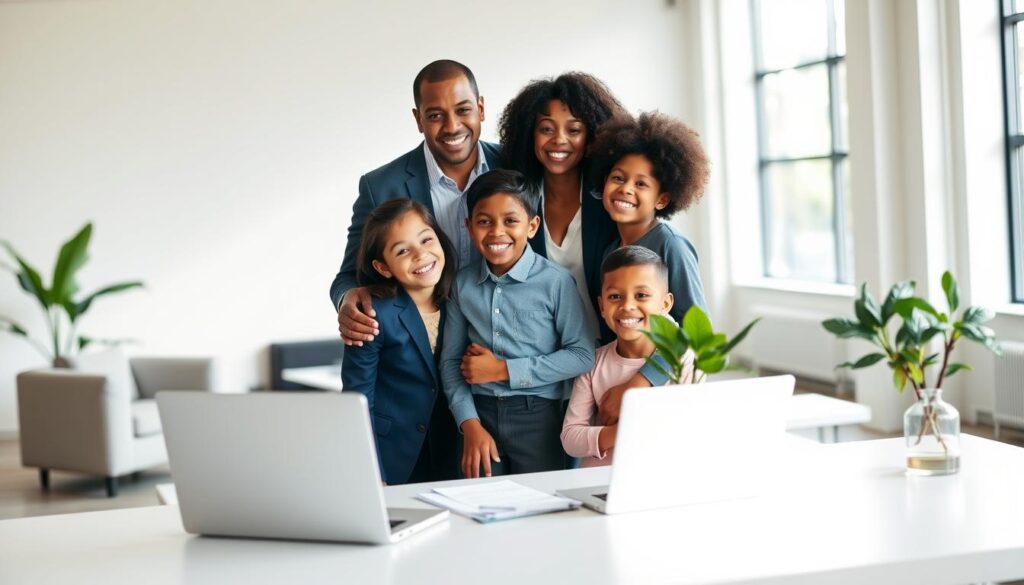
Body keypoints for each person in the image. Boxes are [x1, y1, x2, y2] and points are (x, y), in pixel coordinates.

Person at [331, 59, 502, 347]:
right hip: (420, 357)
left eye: (463, 110)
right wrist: (347, 298)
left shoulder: (516, 166)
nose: (452, 126)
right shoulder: (380, 187)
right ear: (418, 119)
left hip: (501, 352)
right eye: (435, 115)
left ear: (481, 108)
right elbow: (348, 277)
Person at [440, 170, 594, 478]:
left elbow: (582, 354)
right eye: (484, 221)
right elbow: (450, 361)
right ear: (469, 227)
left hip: (539, 418)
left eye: (510, 221)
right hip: (479, 415)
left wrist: (502, 370)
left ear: (532, 226)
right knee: (482, 509)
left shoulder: (556, 282)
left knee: (541, 510)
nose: (497, 232)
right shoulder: (462, 284)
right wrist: (469, 424)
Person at [588, 111, 711, 426]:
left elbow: (699, 335)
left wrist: (638, 384)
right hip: (615, 383)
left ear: (662, 199)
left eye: (641, 183)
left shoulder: (672, 246)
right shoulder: (609, 251)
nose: (626, 189)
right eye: (618, 177)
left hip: (662, 391)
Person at [341, 199, 461, 484]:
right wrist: (373, 473)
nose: (421, 255)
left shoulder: (461, 301)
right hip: (393, 453)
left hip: (452, 452)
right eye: (403, 250)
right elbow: (357, 400)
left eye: (426, 240)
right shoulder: (372, 314)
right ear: (383, 267)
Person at [497, 72, 624, 341]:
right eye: (546, 128)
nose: (559, 139)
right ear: (529, 135)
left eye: (574, 130)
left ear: (593, 135)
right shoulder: (517, 206)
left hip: (608, 354)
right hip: (542, 358)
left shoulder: (610, 203)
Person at [560, 246, 694, 467]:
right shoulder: (593, 364)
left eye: (641, 295)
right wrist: (622, 430)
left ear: (666, 304)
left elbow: (687, 429)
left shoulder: (684, 360)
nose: (627, 306)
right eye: (615, 296)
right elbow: (571, 438)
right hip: (601, 484)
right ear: (602, 306)